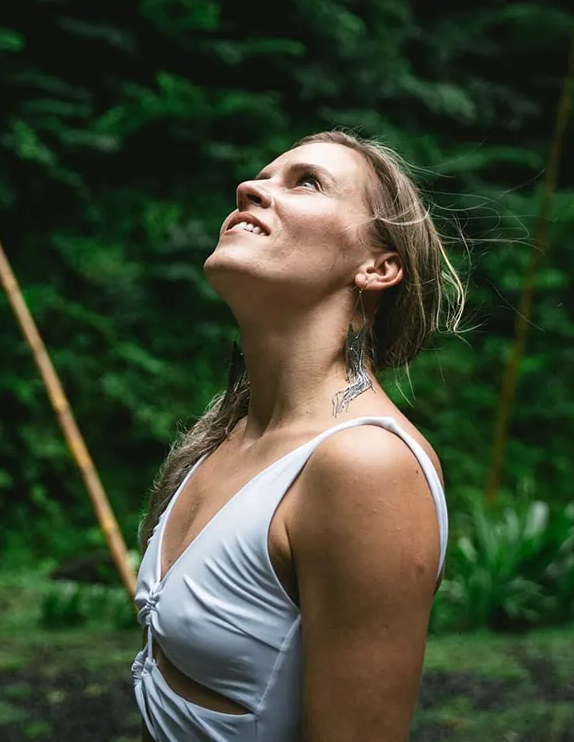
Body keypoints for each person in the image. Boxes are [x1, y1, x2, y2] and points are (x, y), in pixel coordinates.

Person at [132, 130, 464, 742]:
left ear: (378, 265)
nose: (249, 188)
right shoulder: (229, 437)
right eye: (261, 175)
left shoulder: (364, 465)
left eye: (306, 182)